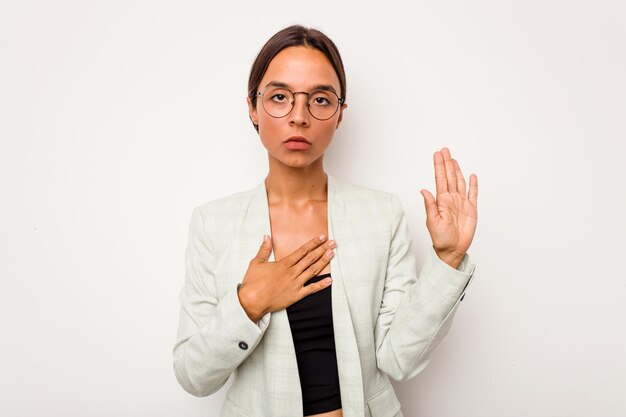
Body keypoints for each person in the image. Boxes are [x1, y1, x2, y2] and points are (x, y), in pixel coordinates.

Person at [173, 24, 478, 417]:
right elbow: (193, 376)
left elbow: (398, 358)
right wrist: (249, 302)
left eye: (320, 99)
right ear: (252, 106)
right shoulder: (213, 224)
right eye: (280, 97)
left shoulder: (381, 214)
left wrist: (448, 259)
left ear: (339, 114)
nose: (299, 116)